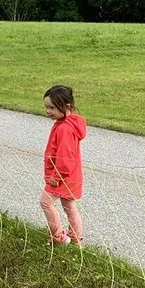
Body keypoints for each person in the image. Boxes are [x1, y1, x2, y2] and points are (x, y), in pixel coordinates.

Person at [40, 85, 87, 245]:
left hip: (61, 176)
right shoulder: (66, 123)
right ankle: (75, 240)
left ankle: (58, 237)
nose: (48, 111)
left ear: (66, 106)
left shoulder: (65, 129)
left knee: (46, 202)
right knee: (69, 205)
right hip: (71, 175)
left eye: (52, 107)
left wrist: (56, 175)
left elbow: (65, 156)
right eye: (46, 107)